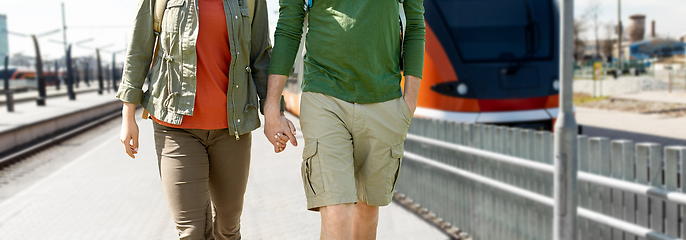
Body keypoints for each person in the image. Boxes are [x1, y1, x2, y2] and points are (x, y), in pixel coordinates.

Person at [116, 0, 283, 239]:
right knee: (191, 231)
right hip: (175, 126)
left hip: (232, 128)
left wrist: (275, 113)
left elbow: (261, 56)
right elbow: (139, 48)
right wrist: (128, 114)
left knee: (228, 226)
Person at [264, 0, 426, 239]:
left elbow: (415, 24)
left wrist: (409, 101)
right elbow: (289, 26)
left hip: (384, 99)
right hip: (324, 96)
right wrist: (272, 106)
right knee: (337, 210)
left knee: (367, 210)